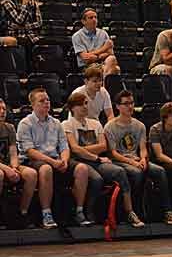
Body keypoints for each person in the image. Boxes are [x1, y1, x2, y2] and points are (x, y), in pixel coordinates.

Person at [18, 88, 102, 229]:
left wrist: (64, 160)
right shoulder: (25, 123)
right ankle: (46, 214)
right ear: (33, 105)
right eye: (42, 101)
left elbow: (64, 146)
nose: (46, 103)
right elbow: (30, 151)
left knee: (82, 168)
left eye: (48, 100)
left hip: (56, 159)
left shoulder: (56, 123)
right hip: (34, 160)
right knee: (46, 169)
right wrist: (53, 162)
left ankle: (79, 211)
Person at [105, 90, 172, 225]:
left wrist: (143, 159)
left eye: (131, 103)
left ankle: (167, 210)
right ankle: (134, 211)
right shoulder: (110, 127)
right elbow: (113, 153)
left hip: (137, 159)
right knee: (136, 173)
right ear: (117, 106)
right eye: (126, 104)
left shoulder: (140, 125)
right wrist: (132, 162)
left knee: (160, 171)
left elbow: (143, 149)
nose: (130, 106)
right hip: (120, 161)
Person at [0, 98, 37, 227]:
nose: (2, 112)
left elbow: (13, 151)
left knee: (31, 174)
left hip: (9, 165)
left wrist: (14, 167)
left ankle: (23, 213)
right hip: (1, 167)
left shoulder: (9, 127)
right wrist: (7, 169)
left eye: (4, 109)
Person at [71, 8, 119, 76]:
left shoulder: (103, 33)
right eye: (91, 18)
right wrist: (104, 49)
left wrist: (95, 57)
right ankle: (106, 84)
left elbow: (110, 53)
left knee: (112, 59)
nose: (94, 20)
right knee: (113, 70)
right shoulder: (77, 36)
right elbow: (85, 59)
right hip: (86, 67)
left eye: (95, 17)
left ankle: (105, 83)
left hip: (102, 63)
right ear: (83, 21)